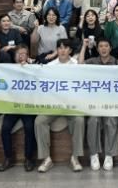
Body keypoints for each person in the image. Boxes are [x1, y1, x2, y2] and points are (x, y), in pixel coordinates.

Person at [35, 39, 85, 173]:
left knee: (79, 120)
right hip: (54, 104)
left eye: (65, 48)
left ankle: (75, 158)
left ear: (70, 50)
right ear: (57, 50)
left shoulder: (76, 64)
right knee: (39, 121)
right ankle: (46, 159)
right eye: (60, 48)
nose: (62, 50)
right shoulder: (50, 66)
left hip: (71, 105)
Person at [78, 37, 118, 171]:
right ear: (97, 49)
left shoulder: (117, 63)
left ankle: (109, 155)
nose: (103, 48)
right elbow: (79, 65)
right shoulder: (92, 61)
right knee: (93, 120)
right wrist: (84, 47)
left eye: (106, 46)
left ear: (110, 48)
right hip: (95, 102)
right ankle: (94, 154)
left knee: (111, 120)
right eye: (101, 46)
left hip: (111, 102)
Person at [0, 44, 36, 172]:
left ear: (27, 55)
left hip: (28, 106)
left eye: (23, 53)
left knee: (30, 128)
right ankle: (8, 158)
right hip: (13, 106)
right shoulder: (9, 69)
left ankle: (28, 158)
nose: (21, 56)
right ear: (14, 56)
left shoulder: (33, 68)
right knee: (5, 128)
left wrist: (30, 67)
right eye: (18, 54)